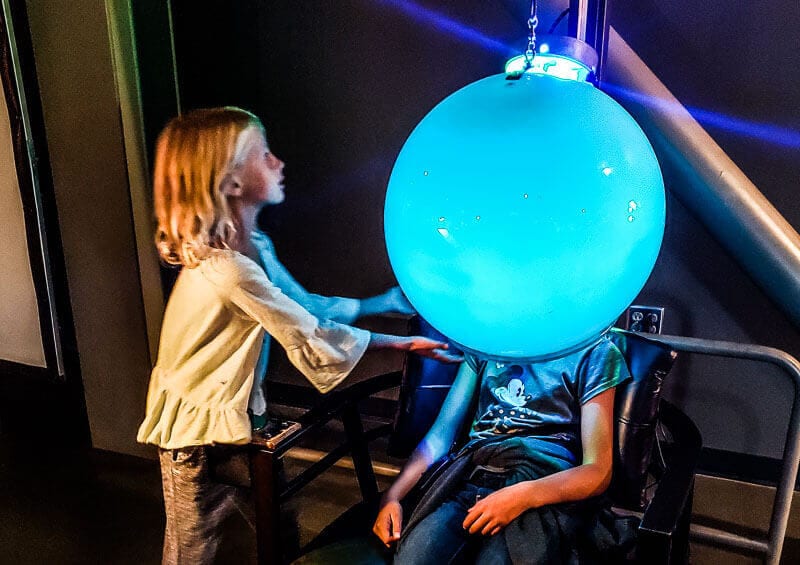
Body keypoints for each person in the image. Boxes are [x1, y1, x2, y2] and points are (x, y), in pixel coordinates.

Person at [136, 107, 460, 564]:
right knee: (192, 550)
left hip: (244, 419)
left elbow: (305, 307)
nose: (279, 163)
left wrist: (382, 304)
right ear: (230, 183)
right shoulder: (229, 270)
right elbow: (307, 332)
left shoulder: (254, 248)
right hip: (195, 437)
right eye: (264, 155)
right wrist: (400, 347)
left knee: (280, 520)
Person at [372, 334, 633, 564]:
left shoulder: (595, 351)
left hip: (543, 481)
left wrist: (521, 496)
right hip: (474, 474)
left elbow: (597, 471)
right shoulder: (486, 342)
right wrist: (392, 497)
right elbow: (441, 435)